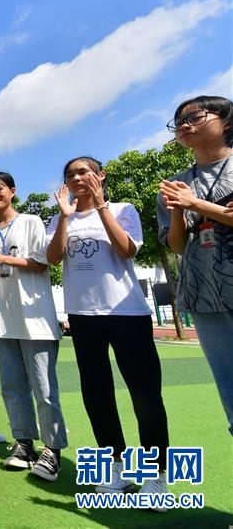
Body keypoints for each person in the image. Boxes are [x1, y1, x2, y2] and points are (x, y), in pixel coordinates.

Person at [46, 156, 170, 509]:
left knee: (145, 396)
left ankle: (156, 477)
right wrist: (65, 219)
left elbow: (127, 249)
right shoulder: (60, 217)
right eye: (69, 174)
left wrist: (100, 206)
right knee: (97, 395)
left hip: (127, 313)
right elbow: (53, 258)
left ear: (100, 176)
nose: (76, 178)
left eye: (83, 171)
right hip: (83, 317)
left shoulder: (123, 209)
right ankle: (115, 467)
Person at [0, 172, 68, 482]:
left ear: (12, 191)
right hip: (4, 319)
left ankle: (52, 449)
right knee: (12, 387)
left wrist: (2, 259)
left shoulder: (31, 222)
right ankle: (24, 444)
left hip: (36, 319)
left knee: (44, 388)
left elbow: (42, 263)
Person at [158, 95, 233, 435]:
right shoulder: (176, 182)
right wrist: (177, 210)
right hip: (204, 293)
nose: (184, 126)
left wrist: (194, 202)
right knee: (228, 385)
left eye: (195, 117)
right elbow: (177, 245)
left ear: (226, 121)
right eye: (178, 123)